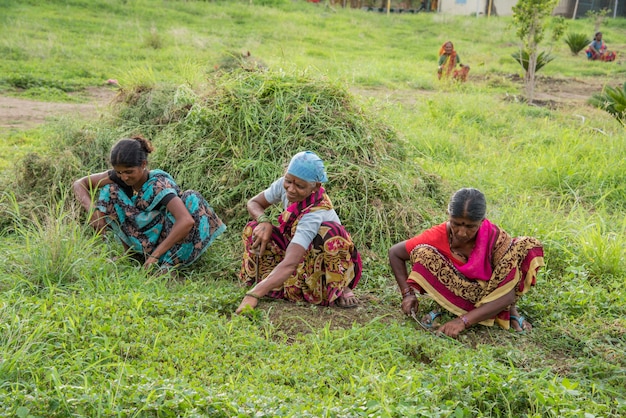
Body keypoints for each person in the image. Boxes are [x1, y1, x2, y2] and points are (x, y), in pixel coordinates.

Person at [388, 188, 544, 339]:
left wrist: (462, 321)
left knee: (525, 246)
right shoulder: (438, 235)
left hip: (494, 296)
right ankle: (449, 306)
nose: (462, 232)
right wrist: (407, 294)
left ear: (482, 221)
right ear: (449, 216)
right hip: (461, 291)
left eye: (470, 226)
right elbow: (395, 252)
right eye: (456, 224)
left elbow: (507, 294)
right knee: (423, 253)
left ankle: (508, 311)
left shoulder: (496, 239)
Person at [73, 135, 226, 272]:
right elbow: (79, 184)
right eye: (119, 172)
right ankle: (131, 254)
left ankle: (169, 261)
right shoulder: (119, 176)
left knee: (191, 198)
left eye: (129, 172)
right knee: (109, 190)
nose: (124, 177)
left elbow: (186, 221)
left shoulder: (158, 185)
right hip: (143, 234)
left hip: (167, 236)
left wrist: (155, 255)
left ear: (143, 164)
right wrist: (92, 210)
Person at [235, 151, 362, 314]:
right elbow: (254, 203)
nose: (291, 189)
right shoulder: (284, 184)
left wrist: (254, 295)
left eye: (300, 186)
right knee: (255, 228)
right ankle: (269, 281)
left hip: (319, 261)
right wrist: (263, 221)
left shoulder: (314, 213)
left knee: (330, 231)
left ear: (315, 187)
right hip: (297, 249)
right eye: (289, 181)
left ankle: (337, 286)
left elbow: (290, 263)